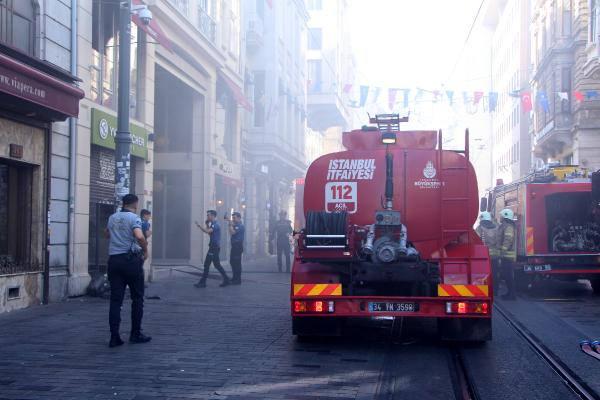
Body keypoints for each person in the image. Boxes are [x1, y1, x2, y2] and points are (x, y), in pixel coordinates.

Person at [105, 194, 151, 348]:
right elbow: (139, 236)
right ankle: (135, 333)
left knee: (115, 300)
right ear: (135, 204)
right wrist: (145, 251)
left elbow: (106, 234)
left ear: (123, 203)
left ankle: (114, 336)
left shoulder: (112, 217)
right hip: (130, 261)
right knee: (137, 298)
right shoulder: (134, 218)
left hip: (114, 260)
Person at [194, 210, 230, 288]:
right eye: (207, 215)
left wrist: (199, 226)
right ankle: (226, 279)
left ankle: (203, 282)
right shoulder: (213, 224)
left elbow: (207, 231)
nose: (207, 216)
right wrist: (207, 224)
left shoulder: (215, 225)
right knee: (216, 265)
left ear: (213, 216)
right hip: (214, 247)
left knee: (208, 264)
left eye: (208, 215)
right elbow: (210, 233)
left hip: (214, 248)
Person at [475, 211, 500, 291]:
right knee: (495, 273)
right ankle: (495, 290)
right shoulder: (497, 228)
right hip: (495, 255)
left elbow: (476, 240)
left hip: (484, 255)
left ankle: (486, 289)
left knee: (484, 273)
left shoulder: (480, 228)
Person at [498, 208, 517, 300]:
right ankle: (509, 293)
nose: (500, 217)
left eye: (501, 216)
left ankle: (512, 295)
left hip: (507, 256)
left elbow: (508, 240)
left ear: (505, 216)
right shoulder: (504, 226)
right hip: (506, 255)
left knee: (508, 276)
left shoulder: (508, 226)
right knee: (506, 275)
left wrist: (502, 251)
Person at [228, 212, 245, 285]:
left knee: (237, 263)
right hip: (234, 246)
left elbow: (232, 232)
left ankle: (238, 280)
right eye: (233, 218)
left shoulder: (240, 226)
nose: (233, 219)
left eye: (234, 218)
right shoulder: (236, 225)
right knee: (232, 262)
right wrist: (230, 223)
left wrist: (231, 225)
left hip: (238, 246)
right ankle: (235, 277)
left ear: (239, 218)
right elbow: (230, 231)